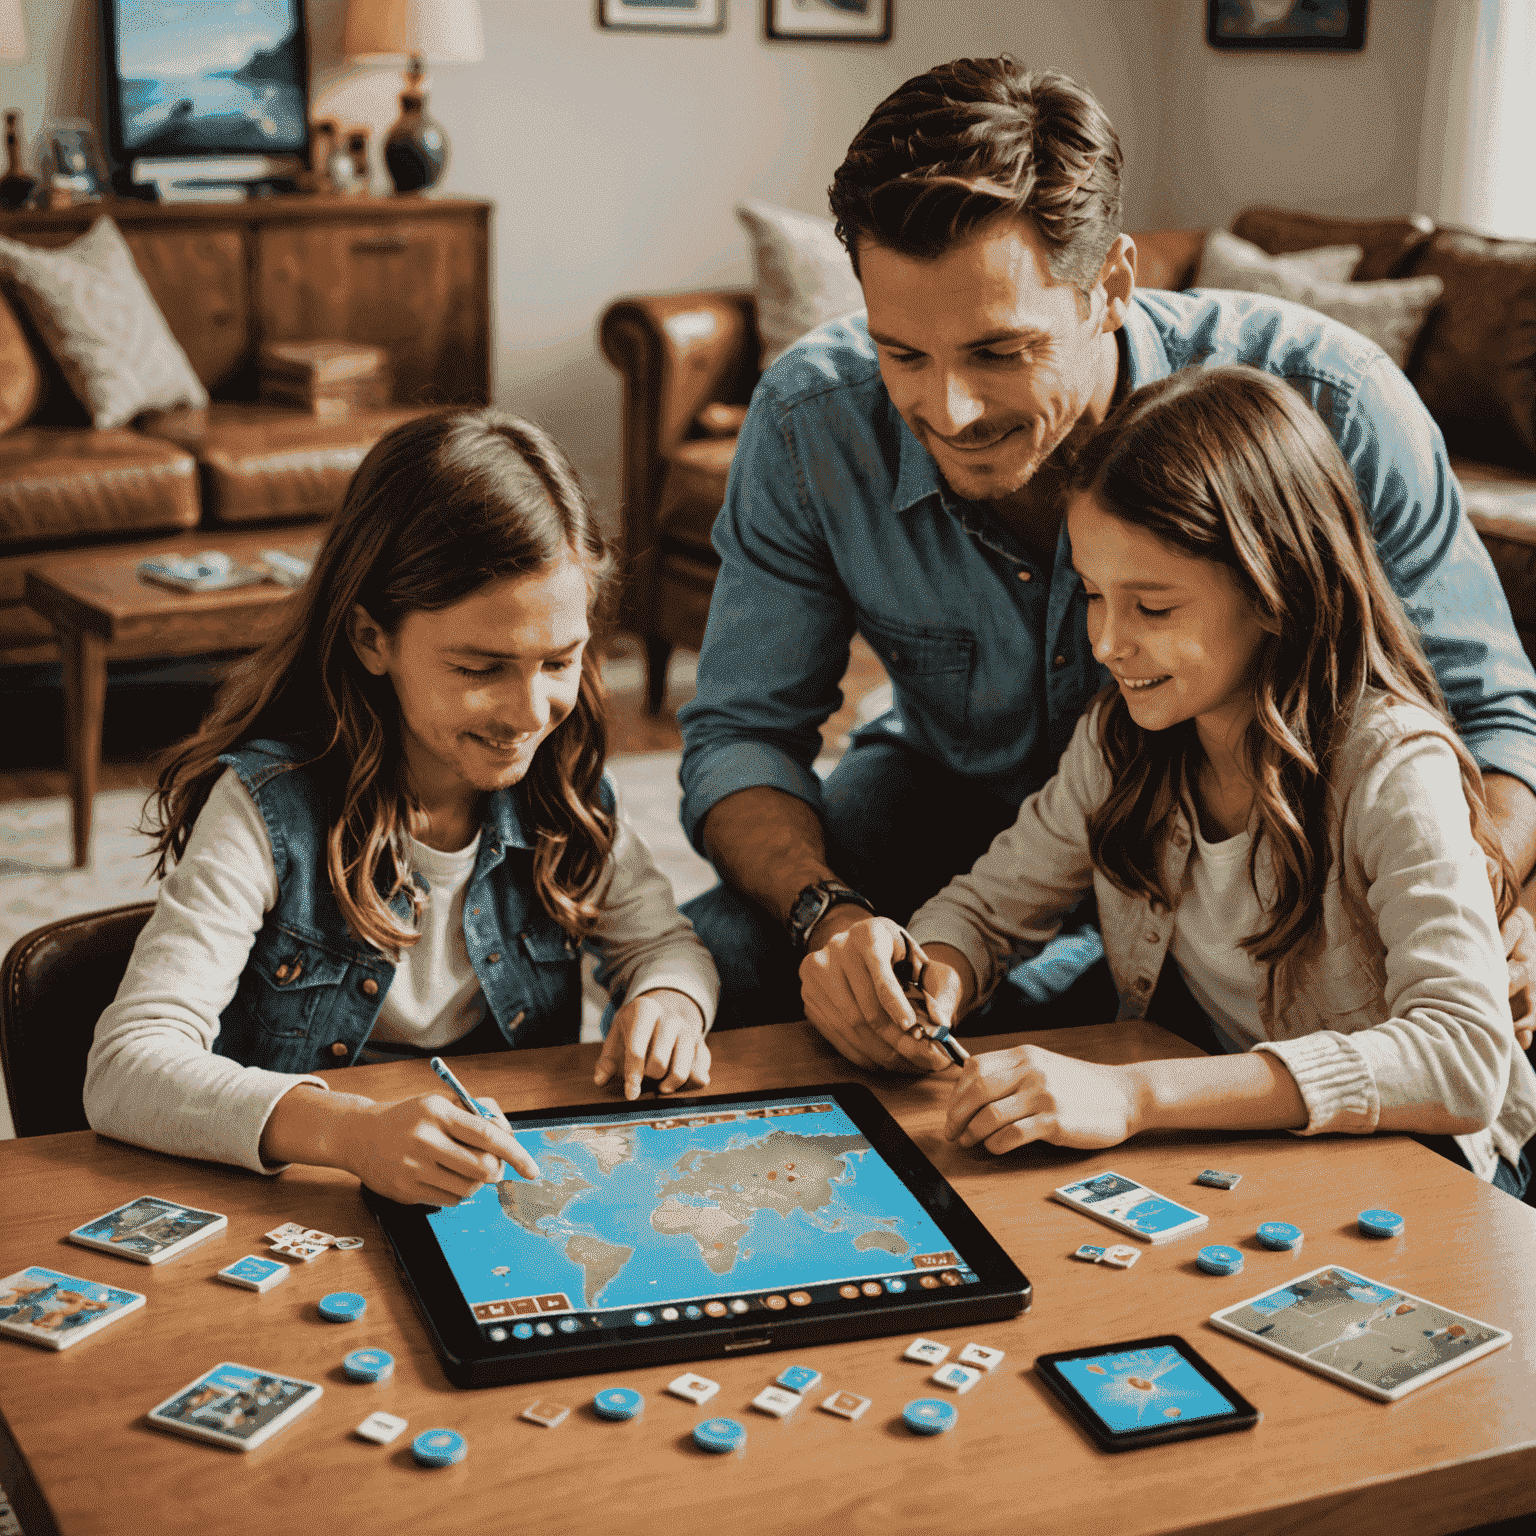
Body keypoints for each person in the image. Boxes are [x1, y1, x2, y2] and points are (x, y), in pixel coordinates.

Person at [677, 55, 1536, 1064]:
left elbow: (1493, 724)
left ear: (1112, 287)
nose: (947, 413)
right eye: (902, 353)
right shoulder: (810, 421)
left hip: (1259, 845)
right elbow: (741, 731)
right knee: (723, 962)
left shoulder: (1332, 407)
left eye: (999, 352)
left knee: (1105, 1016)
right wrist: (827, 916)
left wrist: (1464, 900)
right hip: (952, 797)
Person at [802, 366, 1536, 1196]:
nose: (1108, 644)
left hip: (1427, 1170)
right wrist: (930, 975)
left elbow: (1462, 1059)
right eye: (1092, 595)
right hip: (1240, 1145)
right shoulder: (1122, 740)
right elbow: (986, 908)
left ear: (1274, 593)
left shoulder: (1393, 765)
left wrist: (1133, 1094)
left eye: (1152, 608)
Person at [85, 411, 719, 1205]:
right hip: (301, 1192)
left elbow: (664, 944)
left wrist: (669, 996)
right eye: (480, 667)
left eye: (559, 659)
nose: (531, 711)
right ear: (370, 637)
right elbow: (126, 1067)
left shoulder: (564, 788)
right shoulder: (265, 808)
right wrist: (349, 1132)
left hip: (485, 1188)